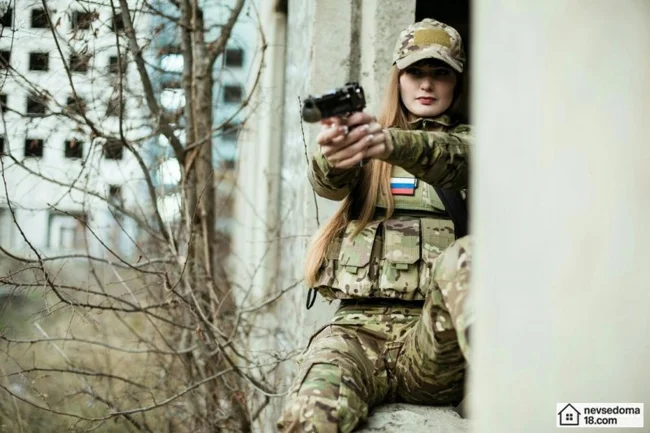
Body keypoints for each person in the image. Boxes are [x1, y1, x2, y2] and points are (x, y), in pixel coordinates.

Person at [278, 18, 474, 433]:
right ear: (398, 78)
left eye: (440, 73)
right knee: (312, 414)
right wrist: (335, 150)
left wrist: (389, 142)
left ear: (457, 83)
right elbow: (328, 184)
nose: (427, 84)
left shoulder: (474, 145)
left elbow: (457, 156)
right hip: (356, 334)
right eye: (415, 72)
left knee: (468, 256)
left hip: (431, 345)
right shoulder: (367, 145)